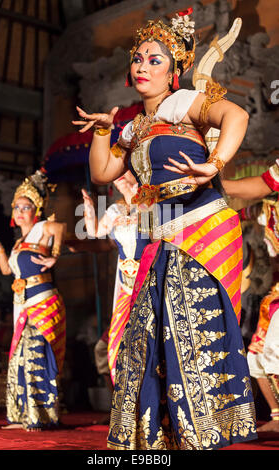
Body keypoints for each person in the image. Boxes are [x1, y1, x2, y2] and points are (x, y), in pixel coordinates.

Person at [73, 10, 257, 450]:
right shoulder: (133, 128)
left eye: (155, 60)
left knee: (187, 332)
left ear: (175, 71)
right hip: (159, 239)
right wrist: (103, 130)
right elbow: (101, 173)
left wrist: (213, 164)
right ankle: (160, 441)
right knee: (147, 338)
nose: (142, 66)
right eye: (138, 59)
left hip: (196, 232)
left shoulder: (184, 103)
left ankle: (201, 435)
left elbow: (237, 116)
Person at [0, 170, 66, 431]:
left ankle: (42, 416)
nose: (18, 211)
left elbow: (60, 228)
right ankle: (21, 416)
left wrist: (55, 256)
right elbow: (8, 271)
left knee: (34, 354)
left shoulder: (43, 229)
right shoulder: (18, 243)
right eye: (16, 207)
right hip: (23, 304)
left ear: (36, 209)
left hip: (43, 301)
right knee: (17, 358)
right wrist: (0, 249)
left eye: (24, 207)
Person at [223, 162, 279, 432]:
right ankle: (277, 417)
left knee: (273, 352)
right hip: (276, 294)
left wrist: (211, 183)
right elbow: (243, 209)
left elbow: (262, 183)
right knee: (258, 354)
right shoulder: (266, 209)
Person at [81, 171, 149, 386]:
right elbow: (93, 231)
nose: (117, 176)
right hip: (125, 286)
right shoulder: (114, 209)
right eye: (115, 173)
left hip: (148, 281)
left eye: (123, 171)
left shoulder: (151, 203)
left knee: (148, 343)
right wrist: (89, 208)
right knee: (116, 343)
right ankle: (122, 399)